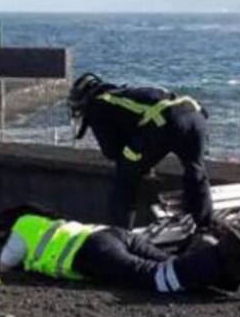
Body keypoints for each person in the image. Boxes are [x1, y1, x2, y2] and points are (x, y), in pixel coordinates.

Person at [0, 205, 240, 300]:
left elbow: (6, 263)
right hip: (111, 234)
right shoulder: (51, 223)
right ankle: (227, 272)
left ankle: (217, 254)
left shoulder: (23, 226)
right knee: (173, 266)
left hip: (91, 253)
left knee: (156, 279)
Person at [68, 73, 212, 228]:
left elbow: (112, 151)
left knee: (124, 179)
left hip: (164, 123)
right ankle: (204, 226)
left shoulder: (99, 105)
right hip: (194, 114)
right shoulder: (125, 93)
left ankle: (122, 233)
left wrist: (138, 163)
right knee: (196, 170)